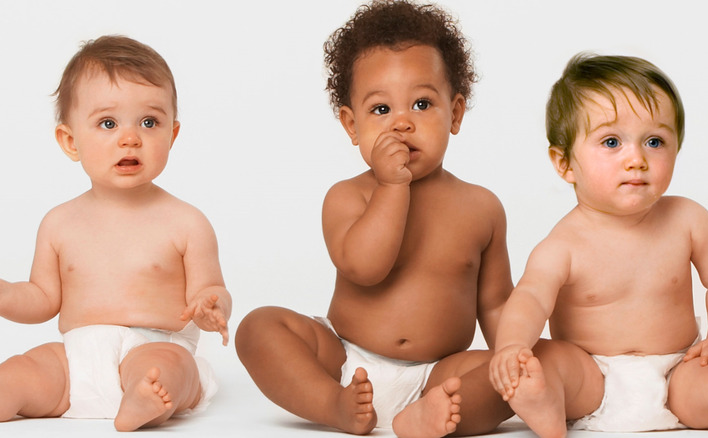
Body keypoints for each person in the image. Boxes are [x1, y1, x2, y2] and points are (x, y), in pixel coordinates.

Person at [235, 1, 514, 437]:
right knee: (259, 327)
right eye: (381, 110)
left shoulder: (481, 207)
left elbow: (496, 303)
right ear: (351, 125)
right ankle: (333, 407)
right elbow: (365, 267)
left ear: (455, 113)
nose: (402, 124)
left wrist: (513, 358)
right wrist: (390, 187)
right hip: (345, 359)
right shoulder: (347, 196)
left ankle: (426, 417)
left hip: (439, 373)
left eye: (422, 103)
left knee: (508, 376)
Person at [489, 53, 708, 438]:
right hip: (591, 377)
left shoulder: (688, 220)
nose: (636, 159)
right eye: (612, 142)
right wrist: (512, 346)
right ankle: (544, 406)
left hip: (679, 372)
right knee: (547, 359)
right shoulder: (562, 245)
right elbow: (529, 299)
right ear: (565, 164)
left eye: (655, 141)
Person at [0, 35, 231, 432]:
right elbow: (41, 298)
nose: (130, 137)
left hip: (156, 346)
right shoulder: (58, 223)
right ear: (70, 141)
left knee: (172, 371)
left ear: (172, 136)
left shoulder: (186, 222)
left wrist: (213, 308)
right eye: (108, 123)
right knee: (23, 369)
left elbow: (210, 288)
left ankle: (143, 401)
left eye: (149, 122)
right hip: (77, 360)